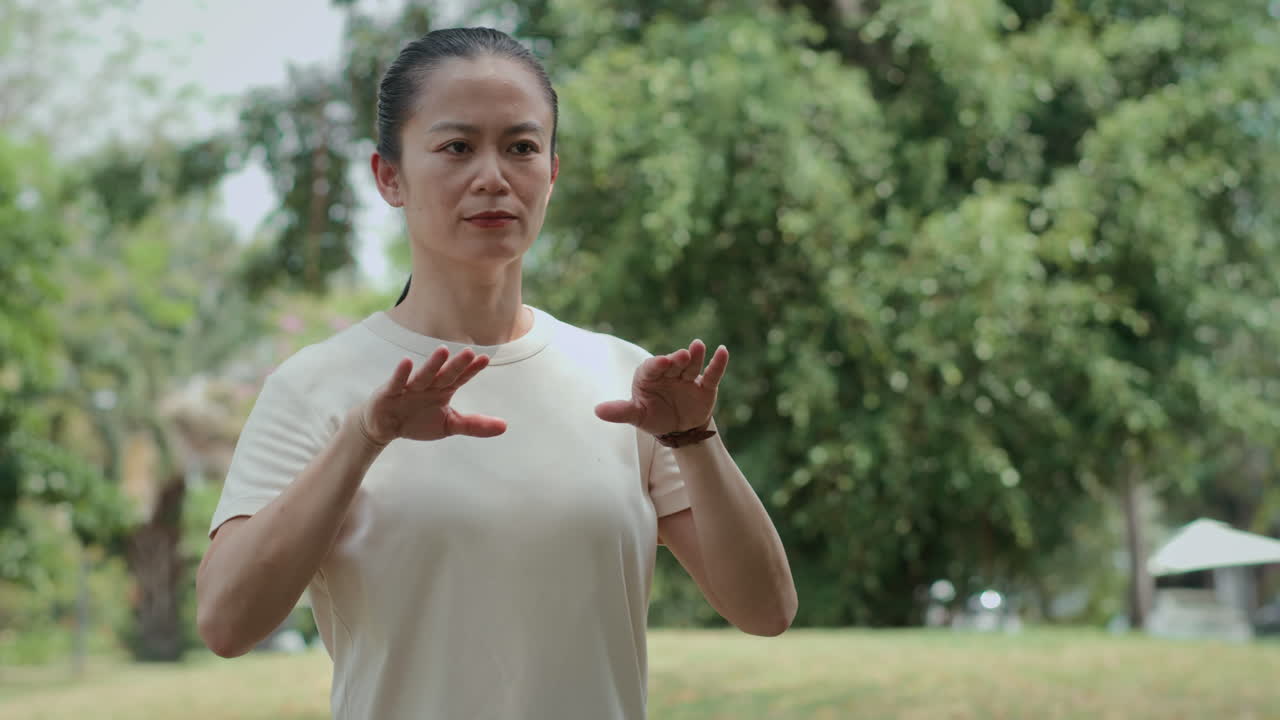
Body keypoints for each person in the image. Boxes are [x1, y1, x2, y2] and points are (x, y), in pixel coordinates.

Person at [195, 26, 797, 720]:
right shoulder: (316, 387)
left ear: (551, 172)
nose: (492, 176)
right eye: (457, 147)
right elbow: (226, 623)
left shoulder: (625, 380)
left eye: (520, 147)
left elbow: (767, 609)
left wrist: (696, 438)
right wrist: (365, 435)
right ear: (388, 176)